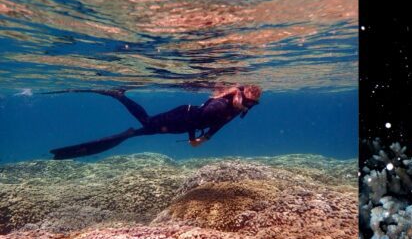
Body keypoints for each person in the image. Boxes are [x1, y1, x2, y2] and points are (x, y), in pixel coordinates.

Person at [45, 85, 262, 159]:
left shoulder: (235, 110)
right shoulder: (222, 103)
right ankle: (119, 96)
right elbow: (197, 118)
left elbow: (219, 125)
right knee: (148, 123)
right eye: (249, 103)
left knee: (146, 128)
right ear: (242, 96)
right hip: (182, 117)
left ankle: (130, 132)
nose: (249, 108)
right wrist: (194, 137)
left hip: (182, 124)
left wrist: (203, 138)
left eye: (254, 106)